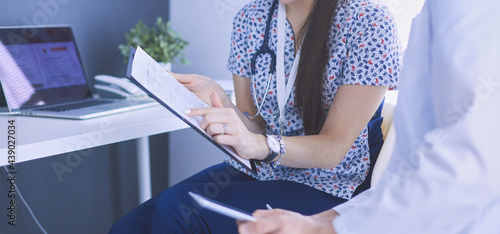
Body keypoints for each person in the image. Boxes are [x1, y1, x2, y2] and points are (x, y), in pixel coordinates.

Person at [110, 0, 401, 233]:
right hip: (265, 171)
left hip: (334, 185)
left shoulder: (369, 23)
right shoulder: (251, 19)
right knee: (131, 226)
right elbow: (256, 125)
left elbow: (332, 150)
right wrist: (219, 99)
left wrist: (260, 145)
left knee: (177, 212)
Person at [237, 0, 500, 233]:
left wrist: (325, 228)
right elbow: (401, 176)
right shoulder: (437, 10)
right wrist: (322, 222)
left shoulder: (467, 11)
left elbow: (471, 169)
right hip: (387, 209)